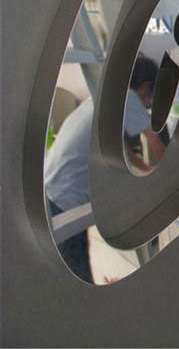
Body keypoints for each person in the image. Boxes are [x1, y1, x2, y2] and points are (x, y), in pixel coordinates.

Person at [44, 55, 163, 281]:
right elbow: (156, 145)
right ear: (145, 88)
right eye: (152, 98)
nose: (149, 105)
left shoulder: (103, 97)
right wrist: (168, 178)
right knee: (76, 271)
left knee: (68, 262)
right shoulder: (129, 98)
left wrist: (148, 170)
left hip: (50, 186)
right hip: (65, 198)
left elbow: (125, 152)